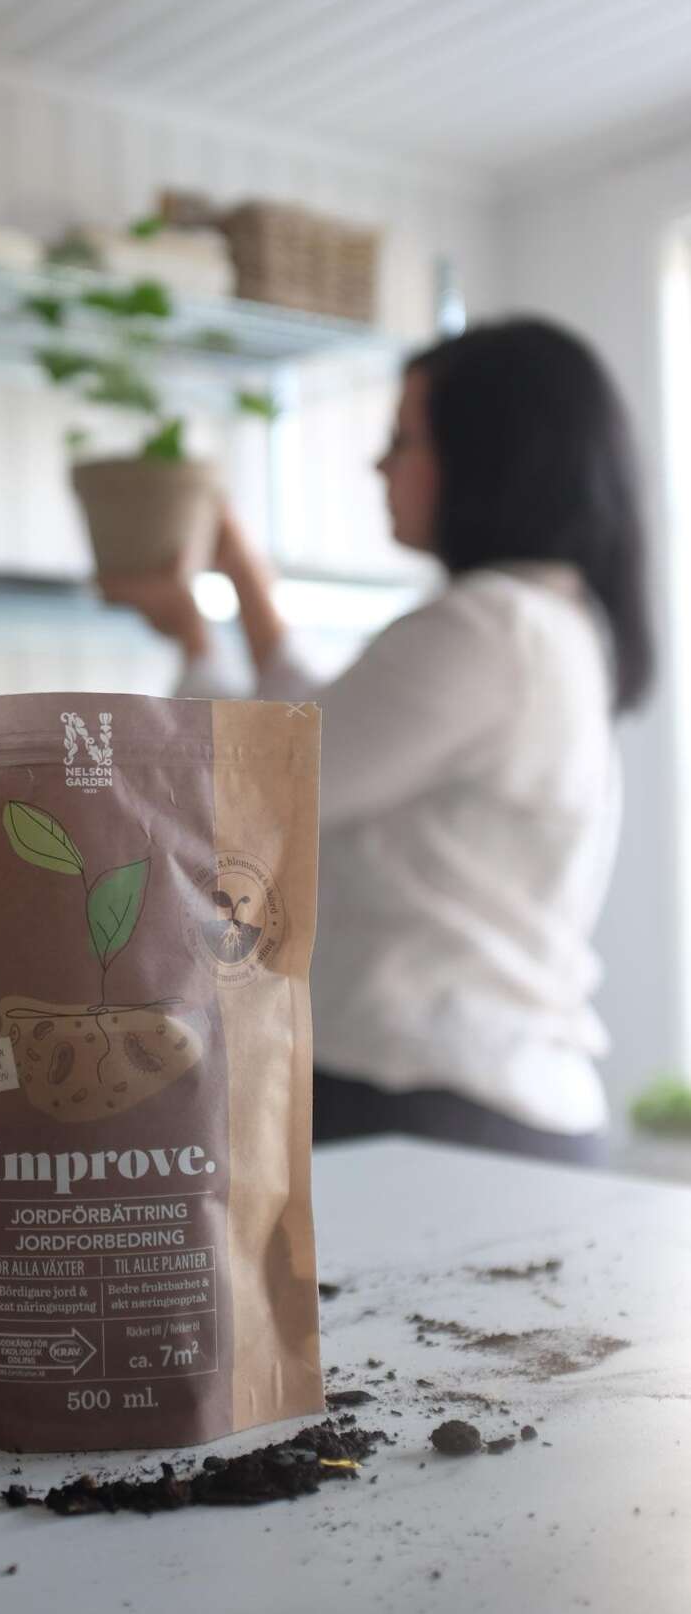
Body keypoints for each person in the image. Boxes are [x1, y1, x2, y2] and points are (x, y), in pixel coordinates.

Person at [102, 318, 654, 1164]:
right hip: (487, 1100)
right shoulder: (549, 622)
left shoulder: (490, 629)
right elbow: (327, 725)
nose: (379, 466)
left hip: (430, 1103)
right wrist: (242, 580)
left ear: (488, 456)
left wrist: (192, 634)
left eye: (402, 440)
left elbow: (260, 788)